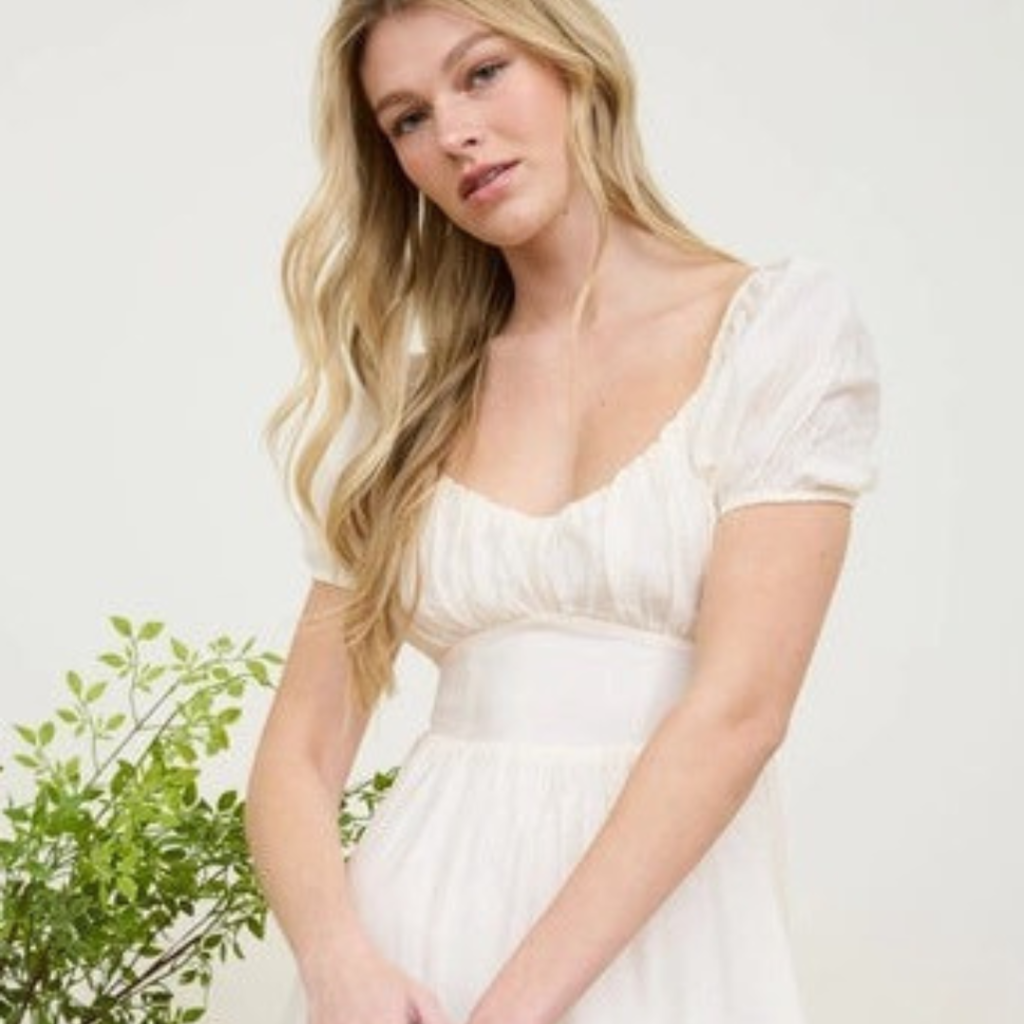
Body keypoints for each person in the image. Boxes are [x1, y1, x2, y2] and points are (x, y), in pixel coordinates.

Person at [245, 1, 881, 1022]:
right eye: (406, 118)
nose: (452, 132)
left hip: (660, 931)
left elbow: (738, 713)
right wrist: (335, 961)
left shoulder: (772, 333)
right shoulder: (405, 408)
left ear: (574, 67)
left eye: (481, 73)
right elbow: (299, 751)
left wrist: (512, 1009)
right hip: (411, 936)